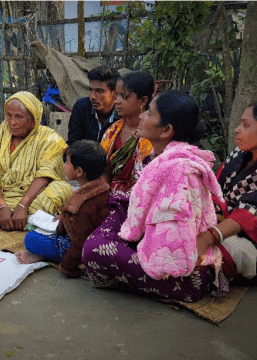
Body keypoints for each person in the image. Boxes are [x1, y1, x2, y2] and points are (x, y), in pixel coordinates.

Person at [82, 90, 228, 302]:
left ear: (166, 130)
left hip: (183, 276)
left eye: (149, 113)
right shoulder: (166, 157)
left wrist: (130, 239)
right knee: (118, 202)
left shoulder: (176, 171)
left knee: (93, 251)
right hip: (169, 248)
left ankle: (118, 277)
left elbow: (170, 250)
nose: (141, 116)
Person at [0, 91, 73, 231]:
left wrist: (23, 205)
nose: (12, 122)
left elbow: (45, 175)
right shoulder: (1, 133)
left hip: (34, 196)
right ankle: (20, 219)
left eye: (18, 117)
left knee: (63, 190)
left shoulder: (50, 139)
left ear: (33, 119)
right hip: (1, 194)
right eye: (8, 115)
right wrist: (1, 207)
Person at [15, 140, 110, 277]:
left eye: (67, 163)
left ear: (79, 171)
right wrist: (65, 218)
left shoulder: (84, 205)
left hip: (78, 249)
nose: (64, 166)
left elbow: (79, 243)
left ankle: (46, 256)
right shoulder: (100, 188)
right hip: (87, 239)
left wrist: (67, 267)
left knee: (31, 238)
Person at [196, 103, 257, 280]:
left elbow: (249, 215)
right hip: (222, 223)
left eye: (245, 125)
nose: (237, 130)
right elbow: (215, 190)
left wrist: (209, 237)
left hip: (249, 237)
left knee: (234, 253)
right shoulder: (238, 155)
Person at [100, 71, 155, 193]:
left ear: (143, 101)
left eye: (124, 97)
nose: (117, 101)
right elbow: (102, 170)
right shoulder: (112, 131)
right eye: (116, 96)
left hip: (140, 197)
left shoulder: (153, 134)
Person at [67, 66, 121, 145]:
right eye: (90, 90)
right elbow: (73, 143)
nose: (92, 97)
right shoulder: (81, 107)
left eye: (99, 91)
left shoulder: (122, 113)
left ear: (115, 93)